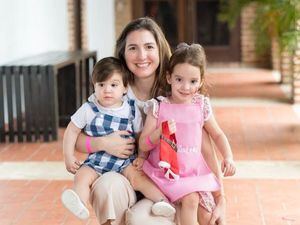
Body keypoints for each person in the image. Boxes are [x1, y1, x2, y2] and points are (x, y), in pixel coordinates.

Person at [74, 17, 228, 225]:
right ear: (123, 53)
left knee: (144, 220)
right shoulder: (112, 90)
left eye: (148, 47)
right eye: (133, 48)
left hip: (169, 183)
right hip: (127, 176)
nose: (142, 56)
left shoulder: (177, 89)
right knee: (106, 185)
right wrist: (104, 143)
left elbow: (205, 145)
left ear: (160, 49)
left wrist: (221, 198)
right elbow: (78, 139)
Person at [61, 57, 175, 220]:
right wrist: (68, 156)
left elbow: (139, 137)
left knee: (139, 179)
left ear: (125, 87)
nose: (107, 90)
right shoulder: (89, 108)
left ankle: (162, 202)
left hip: (125, 162)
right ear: (94, 86)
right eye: (101, 85)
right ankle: (80, 202)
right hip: (97, 162)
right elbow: (71, 131)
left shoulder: (131, 109)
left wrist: (141, 157)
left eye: (113, 85)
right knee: (82, 176)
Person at [139, 43, 236, 225]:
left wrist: (228, 157)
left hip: (194, 175)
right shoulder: (158, 107)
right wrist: (159, 133)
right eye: (179, 79)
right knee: (191, 199)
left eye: (192, 81)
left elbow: (217, 135)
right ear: (169, 77)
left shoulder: (201, 105)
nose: (185, 87)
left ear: (200, 81)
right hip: (165, 174)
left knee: (208, 217)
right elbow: (143, 145)